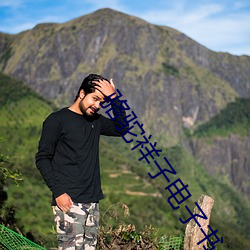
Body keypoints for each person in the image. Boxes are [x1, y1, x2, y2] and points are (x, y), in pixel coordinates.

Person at [35, 74, 128, 250]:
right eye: (95, 99)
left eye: (102, 102)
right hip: (69, 202)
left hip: (92, 202)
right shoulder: (56, 120)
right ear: (82, 93)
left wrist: (115, 98)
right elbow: (42, 158)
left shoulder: (96, 121)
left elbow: (121, 128)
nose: (97, 106)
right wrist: (58, 192)